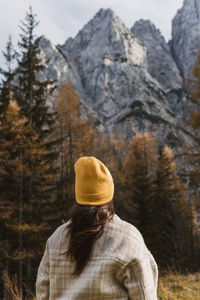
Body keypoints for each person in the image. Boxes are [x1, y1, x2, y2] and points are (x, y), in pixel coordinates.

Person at [36, 156, 158, 300]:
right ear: (109, 194)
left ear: (79, 195)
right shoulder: (128, 238)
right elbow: (145, 294)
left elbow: (42, 292)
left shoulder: (56, 239)